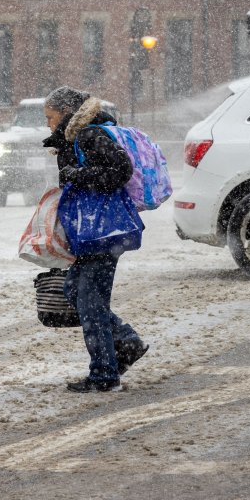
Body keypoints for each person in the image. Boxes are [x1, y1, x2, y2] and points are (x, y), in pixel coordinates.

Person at [43, 86, 149, 393]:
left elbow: (121, 169)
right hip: (94, 233)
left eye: (50, 118)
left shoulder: (88, 135)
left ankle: (104, 375)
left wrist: (78, 175)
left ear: (65, 113)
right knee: (75, 290)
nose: (48, 124)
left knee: (90, 303)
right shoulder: (75, 137)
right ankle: (126, 342)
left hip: (101, 233)